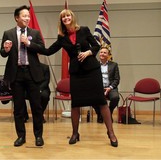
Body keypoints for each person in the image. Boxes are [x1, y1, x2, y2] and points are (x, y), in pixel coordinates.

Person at [39, 9, 118, 147]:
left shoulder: (84, 30)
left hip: (92, 71)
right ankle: (75, 133)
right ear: (61, 21)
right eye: (63, 17)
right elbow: (48, 51)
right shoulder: (61, 38)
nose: (66, 18)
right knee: (75, 103)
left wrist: (88, 52)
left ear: (72, 17)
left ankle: (111, 133)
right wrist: (29, 45)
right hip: (76, 73)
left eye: (68, 15)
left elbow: (96, 45)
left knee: (101, 102)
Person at [0, 5, 45, 147]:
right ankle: (21, 136)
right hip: (16, 73)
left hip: (32, 73)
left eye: (28, 16)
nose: (27, 18)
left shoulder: (35, 33)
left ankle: (38, 136)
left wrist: (28, 43)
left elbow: (42, 49)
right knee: (18, 108)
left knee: (36, 107)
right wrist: (6, 49)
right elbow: (2, 52)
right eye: (24, 16)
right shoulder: (8, 33)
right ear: (16, 18)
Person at [92, 47, 120, 123]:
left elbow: (116, 79)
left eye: (105, 52)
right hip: (98, 88)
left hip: (111, 88)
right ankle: (99, 114)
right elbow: (92, 78)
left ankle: (109, 113)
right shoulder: (94, 65)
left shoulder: (114, 65)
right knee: (92, 98)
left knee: (115, 97)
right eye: (101, 52)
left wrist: (110, 88)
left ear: (108, 55)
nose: (102, 54)